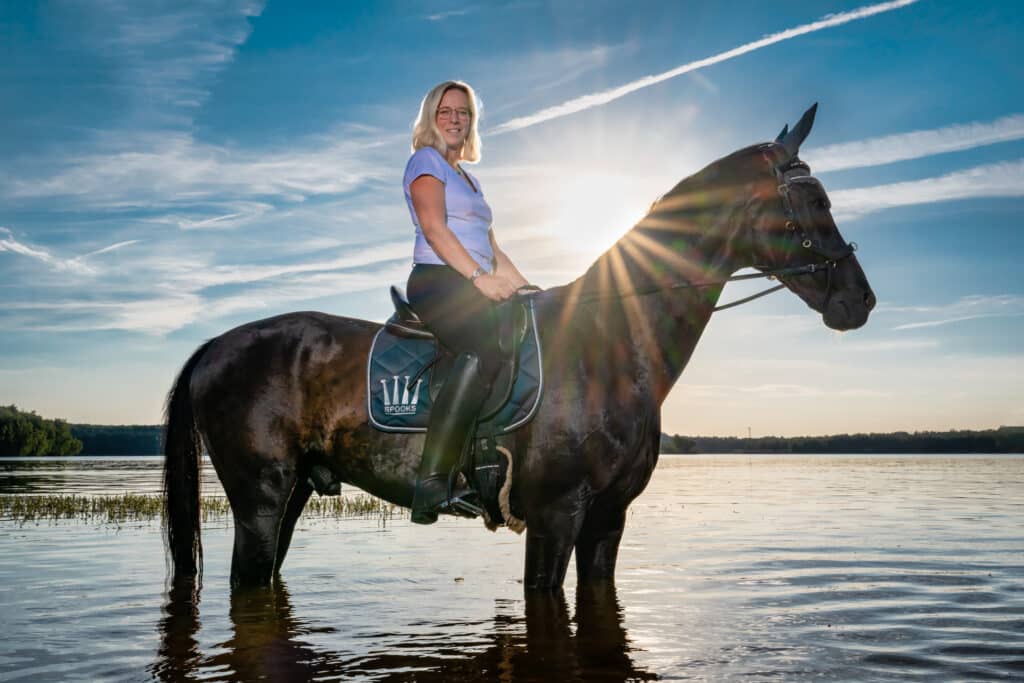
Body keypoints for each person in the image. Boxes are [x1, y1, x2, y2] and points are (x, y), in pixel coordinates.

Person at [403, 80, 530, 525]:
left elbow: (493, 248)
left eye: (464, 112)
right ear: (431, 117)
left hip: (473, 279)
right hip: (439, 281)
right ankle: (432, 481)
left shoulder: (470, 180)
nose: (456, 119)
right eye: (446, 110)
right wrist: (479, 279)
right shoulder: (426, 161)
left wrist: (526, 287)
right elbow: (436, 230)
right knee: (483, 348)